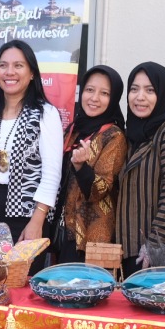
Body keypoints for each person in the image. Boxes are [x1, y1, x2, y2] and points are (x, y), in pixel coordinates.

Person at [0, 40, 63, 244]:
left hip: (26, 216)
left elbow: (52, 173)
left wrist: (37, 220)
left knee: (22, 277)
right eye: (3, 65)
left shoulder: (45, 113)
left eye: (18, 65)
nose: (9, 72)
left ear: (32, 73)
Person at [116, 62, 165, 276]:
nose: (140, 97)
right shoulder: (129, 137)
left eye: (150, 90)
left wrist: (153, 243)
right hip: (129, 251)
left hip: (161, 254)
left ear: (162, 94)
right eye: (134, 89)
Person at [55, 65, 128, 263]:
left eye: (104, 93)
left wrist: (81, 167)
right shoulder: (73, 130)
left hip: (91, 239)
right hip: (63, 232)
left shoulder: (114, 136)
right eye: (89, 90)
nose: (94, 98)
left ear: (113, 99)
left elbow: (101, 188)